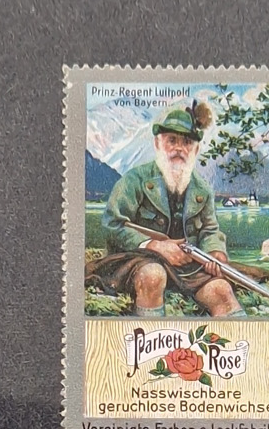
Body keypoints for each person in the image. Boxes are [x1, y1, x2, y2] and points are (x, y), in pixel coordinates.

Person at [94, 100, 239, 316]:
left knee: (222, 290)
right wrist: (154, 246)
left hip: (187, 269)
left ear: (196, 149)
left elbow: (210, 230)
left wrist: (215, 252)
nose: (179, 148)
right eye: (172, 140)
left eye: (187, 142)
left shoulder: (202, 189)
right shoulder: (134, 180)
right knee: (154, 275)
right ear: (158, 144)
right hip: (136, 260)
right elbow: (112, 224)